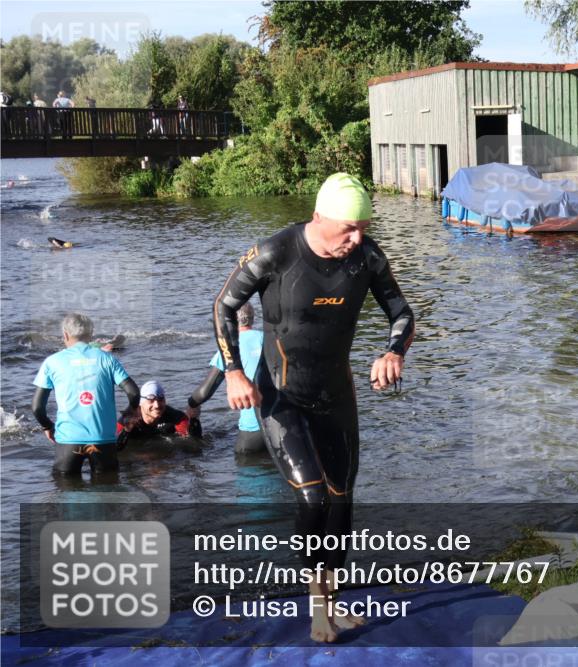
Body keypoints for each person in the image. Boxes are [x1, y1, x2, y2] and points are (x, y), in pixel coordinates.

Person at [213, 172, 414, 642]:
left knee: (342, 502)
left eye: (363, 227)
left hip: (336, 394)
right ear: (318, 217)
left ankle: (334, 602)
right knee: (313, 497)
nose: (357, 237)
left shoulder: (368, 257)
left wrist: (392, 352)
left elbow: (402, 312)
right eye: (348, 228)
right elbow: (224, 306)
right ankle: (316, 606)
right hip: (280, 395)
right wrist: (234, 372)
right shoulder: (275, 252)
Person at [31, 313, 139, 477]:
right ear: (91, 334)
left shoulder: (52, 362)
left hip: (68, 440)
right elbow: (133, 392)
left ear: (65, 335)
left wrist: (47, 426)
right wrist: (130, 412)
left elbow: (37, 408)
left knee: (66, 492)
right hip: (103, 439)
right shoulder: (107, 359)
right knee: (107, 493)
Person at [187, 303, 265, 454]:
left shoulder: (229, 348)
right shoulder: (268, 339)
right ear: (253, 318)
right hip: (280, 427)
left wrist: (192, 404)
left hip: (252, 433)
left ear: (230, 321)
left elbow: (206, 391)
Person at [116, 380, 202, 448]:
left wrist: (194, 420)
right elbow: (114, 447)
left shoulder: (174, 417)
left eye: (160, 399)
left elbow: (195, 442)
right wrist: (126, 430)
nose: (157, 405)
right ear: (140, 403)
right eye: (151, 400)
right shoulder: (128, 419)